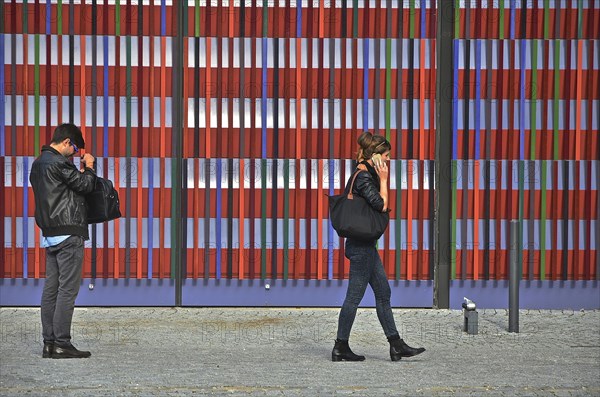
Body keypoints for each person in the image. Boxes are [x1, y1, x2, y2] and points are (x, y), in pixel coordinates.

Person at [332, 131, 426, 362]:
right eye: (386, 155)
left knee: (383, 293)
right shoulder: (364, 177)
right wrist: (384, 180)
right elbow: (382, 206)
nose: (388, 160)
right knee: (353, 298)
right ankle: (340, 347)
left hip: (366, 246)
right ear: (375, 156)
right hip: (361, 248)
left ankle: (396, 345)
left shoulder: (364, 173)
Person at [30, 123, 96, 359]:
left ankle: (49, 343)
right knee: (67, 290)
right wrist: (89, 167)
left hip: (50, 234)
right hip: (69, 233)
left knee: (51, 289)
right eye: (75, 149)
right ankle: (62, 343)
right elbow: (85, 185)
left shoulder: (38, 164)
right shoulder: (58, 162)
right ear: (67, 142)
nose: (75, 154)